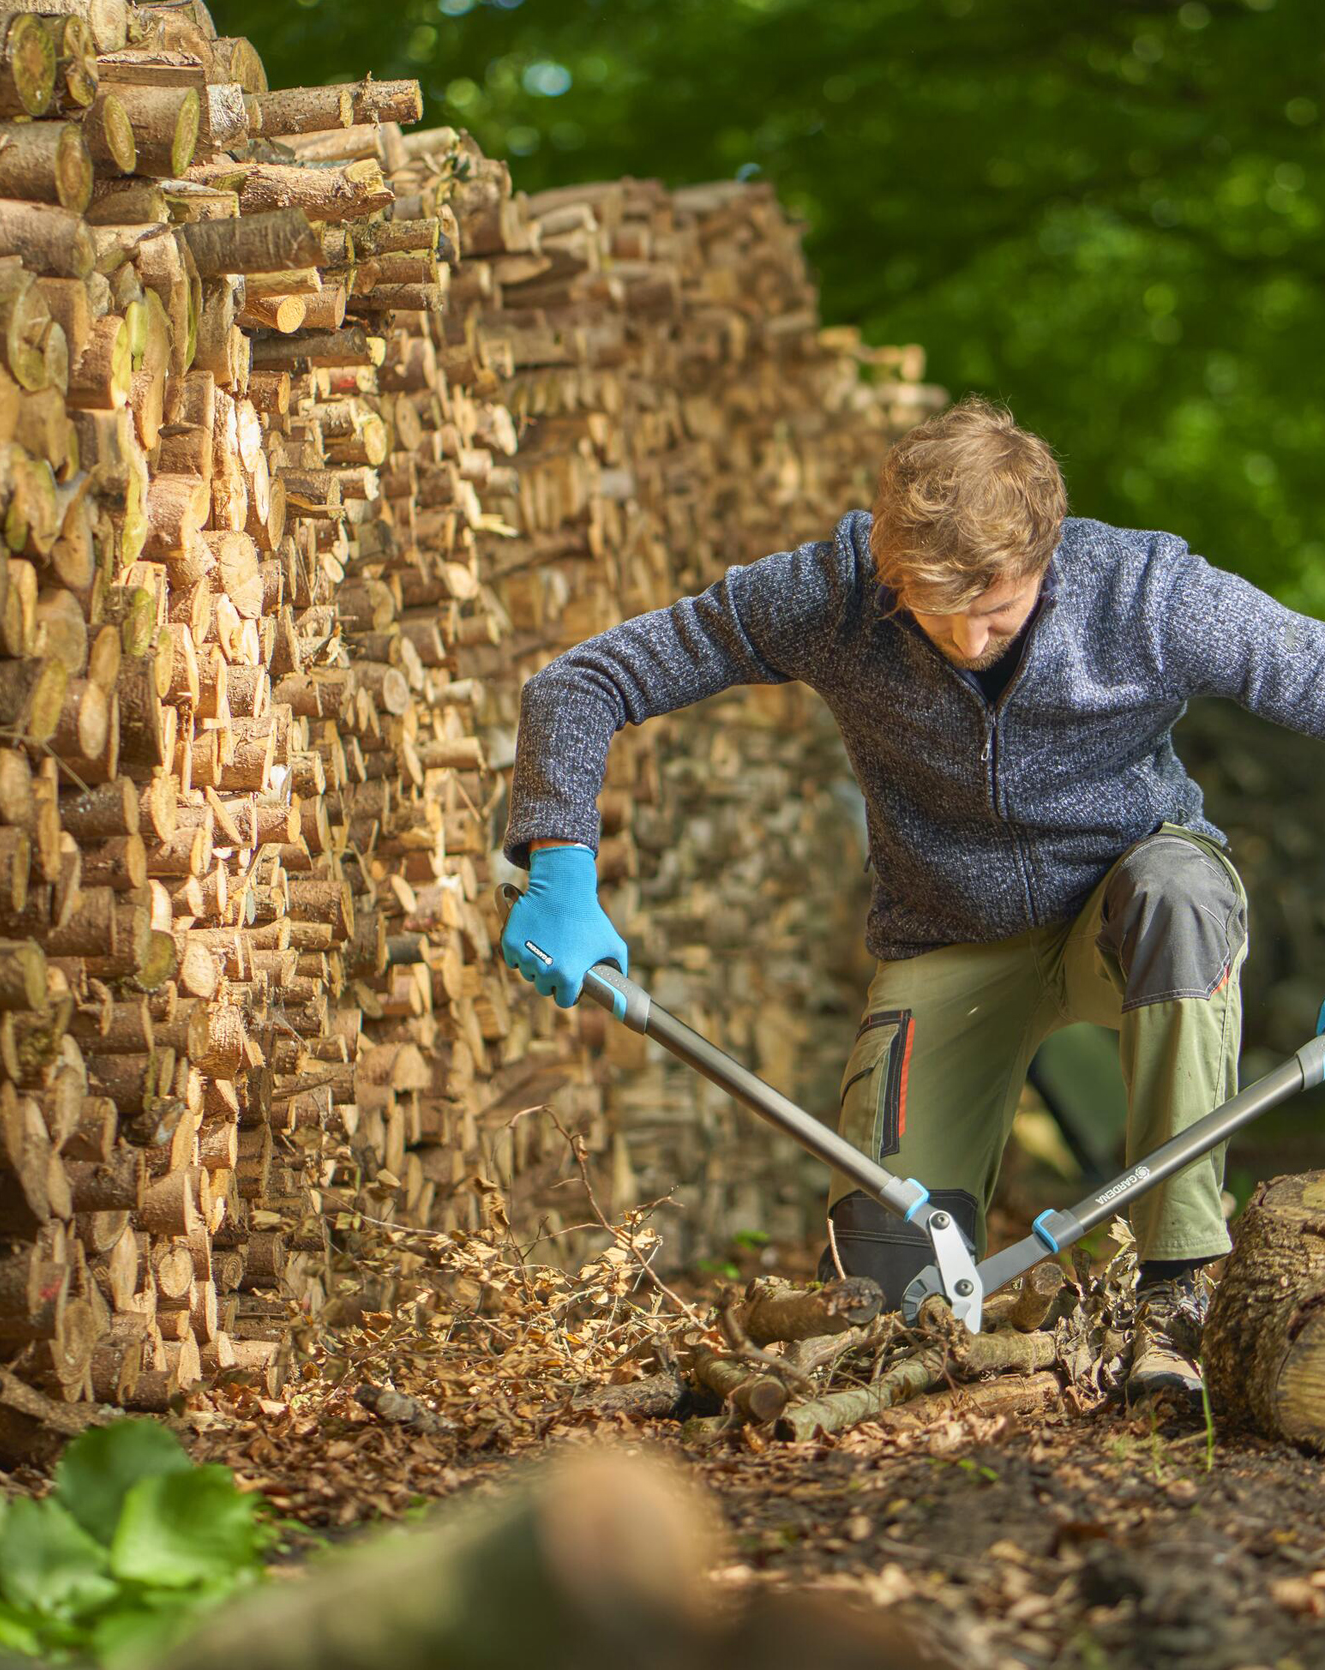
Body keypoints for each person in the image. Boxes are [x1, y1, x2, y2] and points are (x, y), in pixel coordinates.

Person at [497, 397, 1302, 1401]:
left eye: (996, 610)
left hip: (1123, 911)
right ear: (889, 565)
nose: (966, 637)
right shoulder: (833, 593)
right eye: (934, 607)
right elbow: (584, 681)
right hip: (946, 935)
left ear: (1047, 553)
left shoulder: (1145, 594)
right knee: (883, 1300)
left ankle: (1173, 1292)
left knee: (1179, 891)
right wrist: (559, 861)